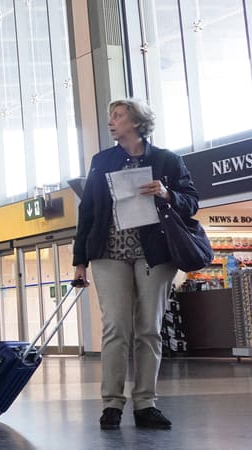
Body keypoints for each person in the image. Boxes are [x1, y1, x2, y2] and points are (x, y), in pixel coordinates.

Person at [73, 98, 199, 431]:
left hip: (154, 254)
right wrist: (79, 262)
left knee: (149, 329)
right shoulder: (102, 162)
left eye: (117, 116)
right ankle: (111, 404)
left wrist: (167, 193)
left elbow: (191, 202)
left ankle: (146, 403)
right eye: (110, 116)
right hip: (108, 253)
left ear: (136, 122)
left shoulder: (166, 160)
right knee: (116, 327)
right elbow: (87, 213)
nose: (111, 121)